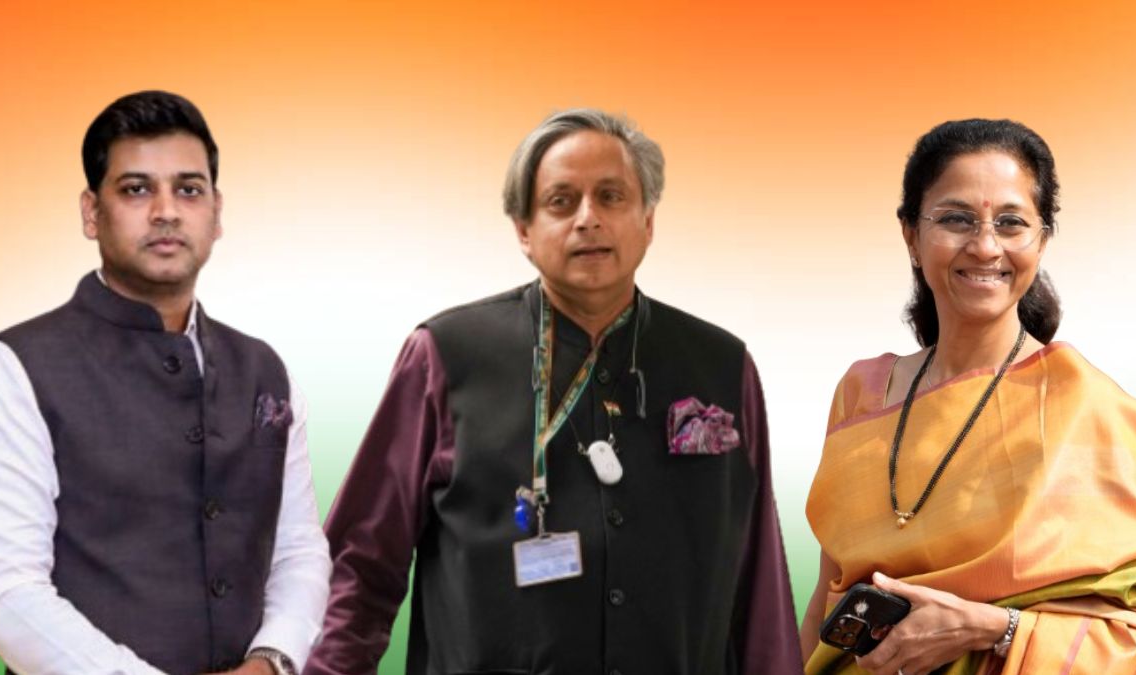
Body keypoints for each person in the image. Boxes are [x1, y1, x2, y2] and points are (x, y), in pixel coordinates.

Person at [304, 109, 801, 675]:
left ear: (648, 220)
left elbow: (759, 584)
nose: (588, 219)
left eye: (611, 197)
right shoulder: (445, 356)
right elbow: (359, 567)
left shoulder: (722, 367)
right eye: (561, 202)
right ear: (524, 229)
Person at [0, 91, 332, 675]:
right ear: (91, 212)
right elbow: (3, 592)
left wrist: (271, 660)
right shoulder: (13, 368)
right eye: (136, 189)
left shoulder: (264, 369)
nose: (166, 211)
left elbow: (299, 550)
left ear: (216, 213)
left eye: (189, 189)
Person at [799, 119, 1136, 674]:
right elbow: (828, 596)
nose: (986, 246)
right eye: (956, 219)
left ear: (1042, 240)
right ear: (911, 237)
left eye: (1011, 222)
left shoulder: (1088, 407)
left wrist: (993, 628)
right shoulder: (861, 395)